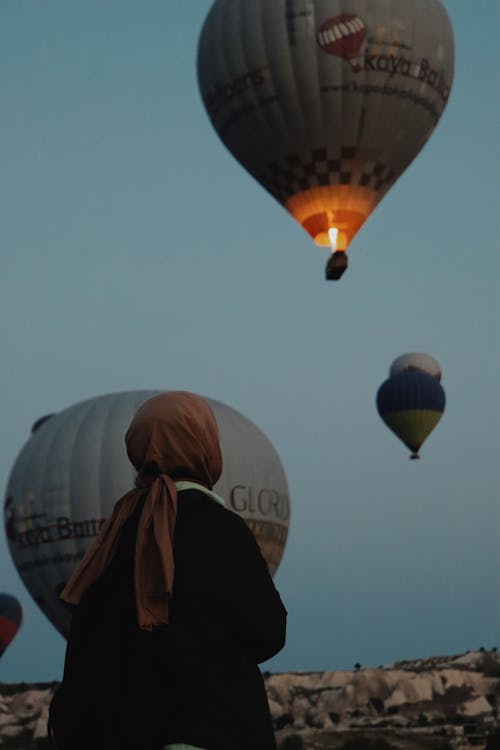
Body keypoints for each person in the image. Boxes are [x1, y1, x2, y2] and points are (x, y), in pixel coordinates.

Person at [48, 391, 287, 750]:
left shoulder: (109, 543)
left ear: (137, 450)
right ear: (205, 447)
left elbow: (85, 650)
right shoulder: (217, 527)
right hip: (215, 730)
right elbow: (268, 630)